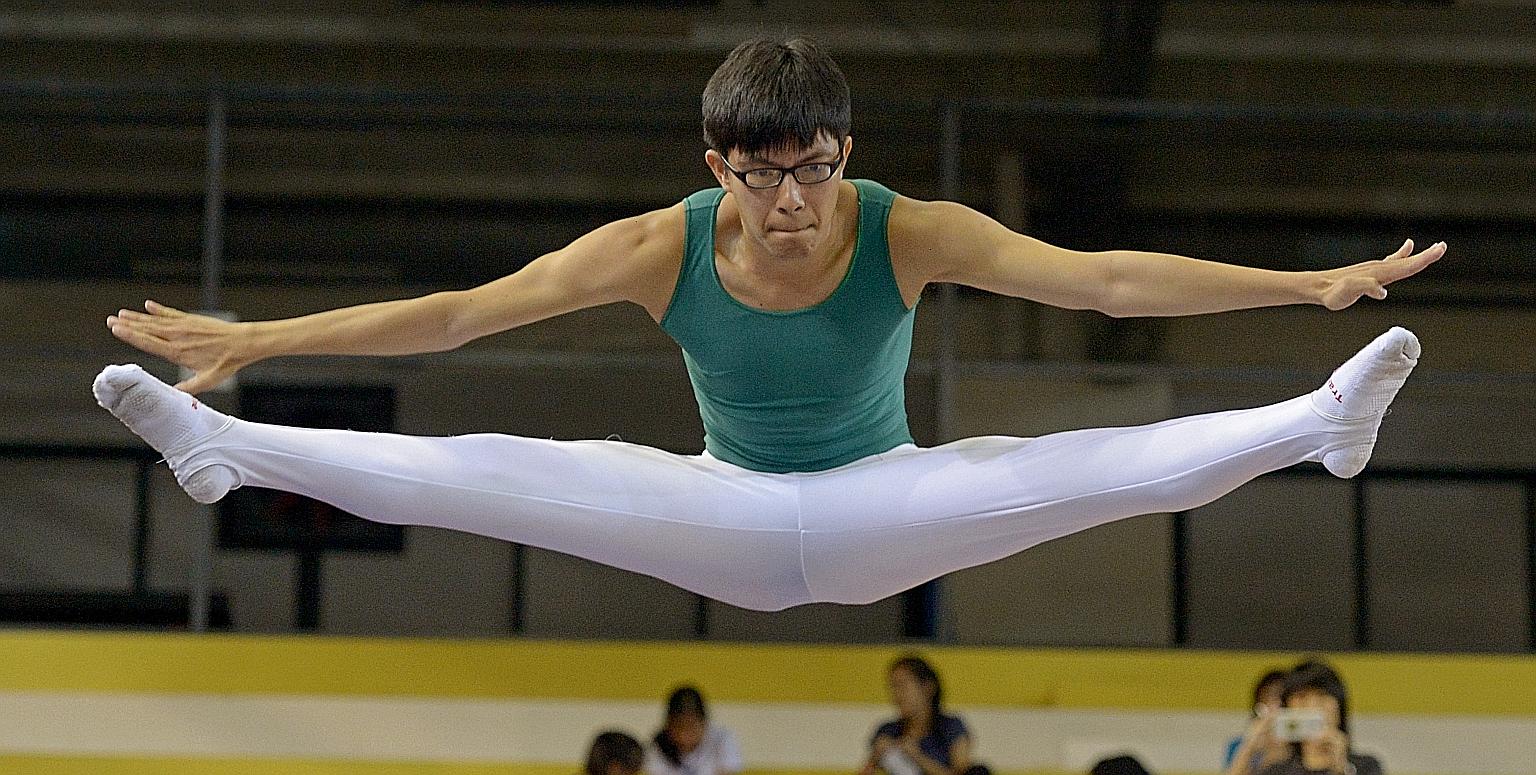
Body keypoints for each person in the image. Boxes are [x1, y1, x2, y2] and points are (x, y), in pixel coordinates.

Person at [94, 37, 1440, 611]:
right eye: (758, 173)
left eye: (812, 169)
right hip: (720, 514)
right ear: (714, 162)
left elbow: (1105, 281)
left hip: (888, 506)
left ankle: (1319, 421)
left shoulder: (909, 227)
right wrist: (266, 337)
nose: (791, 202)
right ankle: (230, 442)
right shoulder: (653, 246)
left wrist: (1306, 286)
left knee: (1076, 467)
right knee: (498, 468)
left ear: (844, 148)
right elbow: (455, 316)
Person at [862, 655, 989, 775]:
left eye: (902, 686)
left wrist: (918, 758)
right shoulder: (888, 730)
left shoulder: (951, 727)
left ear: (928, 687)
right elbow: (866, 770)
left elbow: (961, 771)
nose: (896, 695)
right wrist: (875, 758)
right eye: (893, 687)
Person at [1257, 661, 1383, 775]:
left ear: (1339, 708)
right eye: (1302, 697)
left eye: (1322, 695)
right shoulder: (1275, 771)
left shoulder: (1366, 767)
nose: (1312, 706)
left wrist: (1342, 769)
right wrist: (1251, 746)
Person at [644, 686, 743, 775]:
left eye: (691, 728)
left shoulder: (721, 739)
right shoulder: (657, 745)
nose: (683, 735)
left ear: (704, 723)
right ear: (668, 725)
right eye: (678, 727)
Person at [1224, 669, 1291, 775]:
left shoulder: (1302, 744)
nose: (1276, 705)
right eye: (1269, 697)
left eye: (1281, 699)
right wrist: (1251, 744)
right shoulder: (1239, 746)